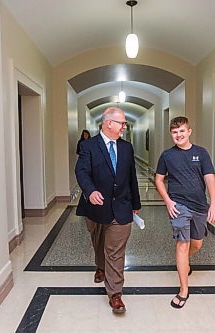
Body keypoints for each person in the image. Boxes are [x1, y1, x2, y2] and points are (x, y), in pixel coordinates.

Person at [75, 107, 141, 314]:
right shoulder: (88, 146)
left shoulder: (127, 147)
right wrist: (90, 190)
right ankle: (100, 265)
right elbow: (81, 171)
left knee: (115, 251)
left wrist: (136, 204)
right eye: (121, 123)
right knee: (99, 243)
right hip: (95, 206)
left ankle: (115, 294)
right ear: (108, 123)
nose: (124, 127)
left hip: (121, 206)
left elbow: (131, 177)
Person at [155, 116, 215, 309]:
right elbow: (159, 180)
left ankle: (185, 264)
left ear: (189, 131)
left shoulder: (201, 153)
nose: (178, 135)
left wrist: (214, 203)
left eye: (181, 131)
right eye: (174, 132)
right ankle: (184, 289)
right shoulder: (167, 156)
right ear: (171, 134)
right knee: (182, 245)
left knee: (196, 244)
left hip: (200, 205)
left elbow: (209, 178)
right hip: (179, 206)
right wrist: (168, 201)